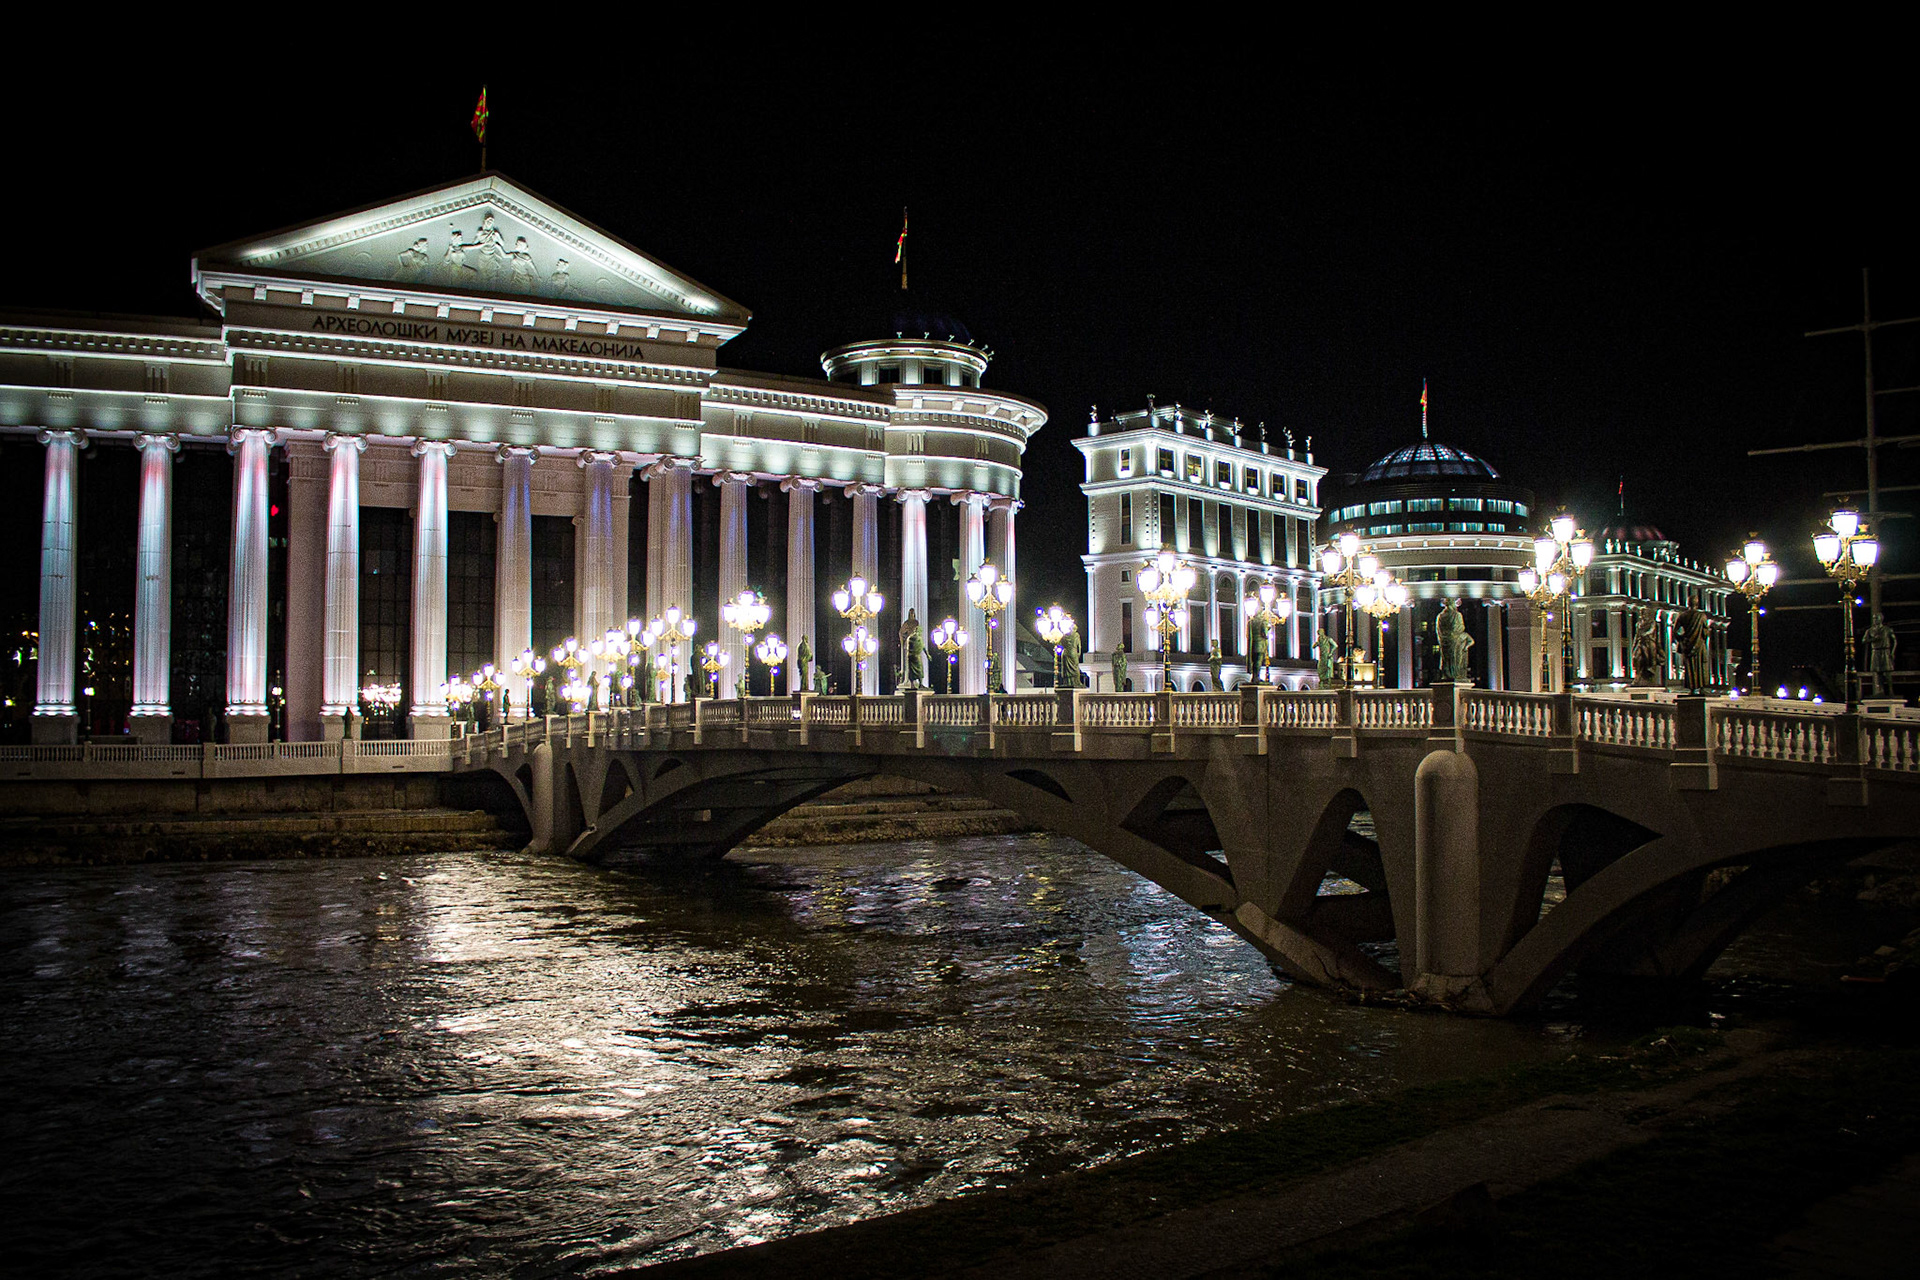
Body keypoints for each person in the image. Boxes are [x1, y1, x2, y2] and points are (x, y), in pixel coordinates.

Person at [1675, 596, 1711, 693]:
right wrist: (1702, 636)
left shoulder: (1682, 616)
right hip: (1699, 645)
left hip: (1687, 645)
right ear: (1697, 604)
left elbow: (1675, 632)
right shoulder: (1702, 616)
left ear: (1688, 603)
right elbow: (1706, 631)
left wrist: (1682, 639)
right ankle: (1702, 687)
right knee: (1700, 666)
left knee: (1689, 667)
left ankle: (1692, 688)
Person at [1437, 598, 1475, 683]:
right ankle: (1456, 674)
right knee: (1456, 658)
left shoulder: (1440, 616)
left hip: (1444, 640)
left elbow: (1438, 630)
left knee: (1446, 658)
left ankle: (1447, 674)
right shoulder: (1457, 615)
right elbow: (1460, 628)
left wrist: (1444, 637)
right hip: (1456, 640)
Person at [1867, 612, 1898, 698]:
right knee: (1878, 673)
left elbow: (1894, 641)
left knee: (1887, 672)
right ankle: (1880, 691)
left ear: (1881, 619)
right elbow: (1864, 640)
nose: (1875, 620)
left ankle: (1891, 691)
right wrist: (1873, 639)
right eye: (1874, 618)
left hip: (1885, 651)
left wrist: (1892, 652)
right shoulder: (1870, 630)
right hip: (1876, 651)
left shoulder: (1887, 629)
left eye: (1876, 618)